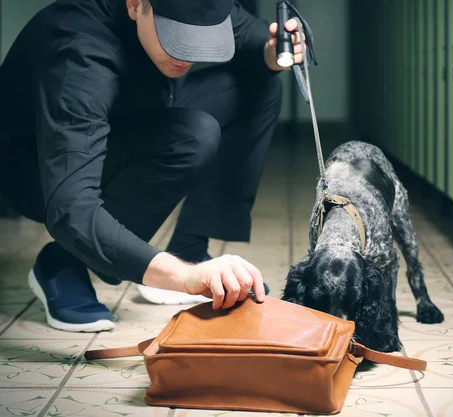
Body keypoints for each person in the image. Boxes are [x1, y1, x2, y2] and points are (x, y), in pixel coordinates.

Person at [0, 0, 305, 332]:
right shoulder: (79, 55)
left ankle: (187, 248)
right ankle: (62, 262)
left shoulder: (197, 7)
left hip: (127, 115)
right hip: (38, 169)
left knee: (261, 82)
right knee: (192, 138)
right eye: (176, 37)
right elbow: (71, 206)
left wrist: (275, 49)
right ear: (135, 5)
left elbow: (252, 33)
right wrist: (184, 278)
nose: (187, 55)